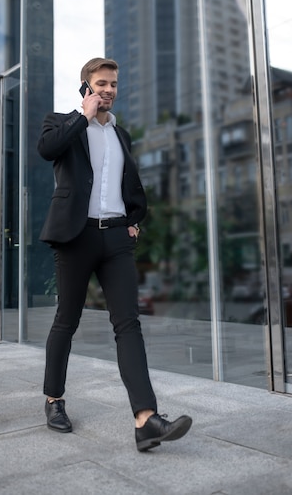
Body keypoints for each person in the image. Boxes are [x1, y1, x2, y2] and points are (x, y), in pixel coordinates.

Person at [37, 57, 192, 452]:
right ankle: (54, 400)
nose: (109, 89)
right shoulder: (62, 122)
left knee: (129, 324)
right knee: (66, 321)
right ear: (87, 86)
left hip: (116, 239)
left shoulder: (121, 135)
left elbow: (128, 184)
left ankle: (146, 420)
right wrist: (82, 117)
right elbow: (47, 150)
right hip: (77, 237)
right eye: (102, 83)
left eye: (114, 84)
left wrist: (132, 219)